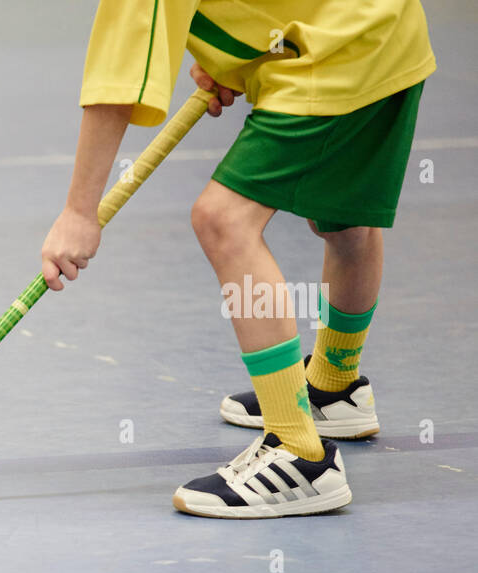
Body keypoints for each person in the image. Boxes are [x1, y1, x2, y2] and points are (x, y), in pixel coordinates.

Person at [40, 1, 435, 518]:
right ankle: (335, 390)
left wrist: (78, 211)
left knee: (223, 220)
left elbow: (119, 80)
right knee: (340, 215)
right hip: (386, 30)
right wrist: (240, 58)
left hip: (334, 55)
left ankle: (298, 453)